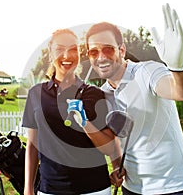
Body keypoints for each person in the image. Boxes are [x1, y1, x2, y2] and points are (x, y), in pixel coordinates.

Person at [85, 3, 183, 194]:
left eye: (108, 49)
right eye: (93, 52)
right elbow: (116, 140)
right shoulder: (103, 94)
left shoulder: (147, 71)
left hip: (172, 187)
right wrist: (116, 166)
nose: (101, 57)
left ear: (121, 51)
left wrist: (178, 67)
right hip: (132, 188)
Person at [22, 28, 122, 195]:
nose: (67, 56)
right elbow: (32, 145)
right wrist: (28, 188)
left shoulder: (95, 94)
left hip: (94, 188)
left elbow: (109, 147)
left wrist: (85, 123)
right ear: (50, 53)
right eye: (60, 49)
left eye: (73, 49)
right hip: (50, 188)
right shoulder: (35, 94)